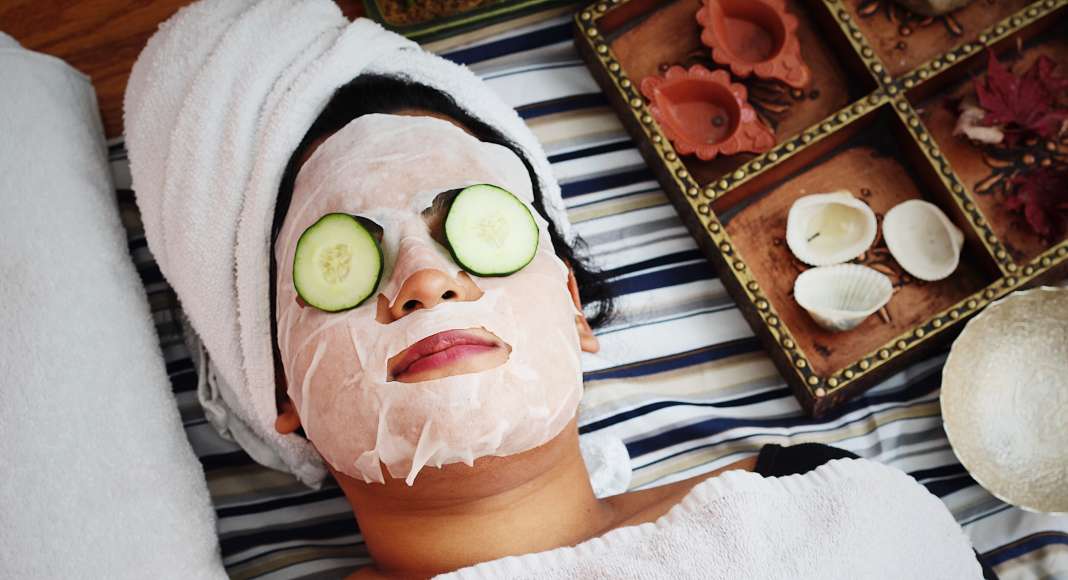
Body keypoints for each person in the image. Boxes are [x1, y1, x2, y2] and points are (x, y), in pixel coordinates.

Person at [124, 2, 988, 578]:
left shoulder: (824, 508)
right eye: (344, 262)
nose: (424, 279)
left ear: (571, 305)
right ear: (279, 386)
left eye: (477, 228)